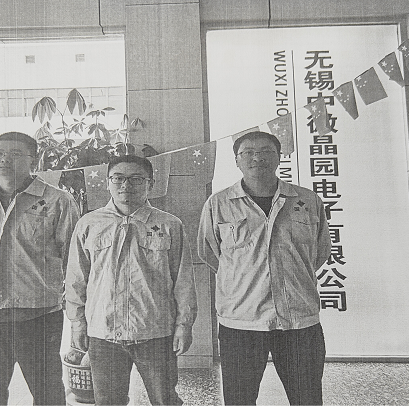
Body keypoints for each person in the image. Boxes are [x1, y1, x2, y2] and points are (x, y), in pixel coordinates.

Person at [197, 131, 332, 405]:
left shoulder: (307, 200)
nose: (257, 157)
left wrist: (292, 275)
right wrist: (243, 278)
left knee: (307, 398)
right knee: (239, 399)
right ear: (237, 160)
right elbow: (209, 252)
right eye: (248, 152)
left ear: (279, 157)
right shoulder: (218, 204)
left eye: (266, 151)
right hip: (240, 320)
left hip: (299, 319)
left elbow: (320, 251)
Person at [66, 154, 198, 405]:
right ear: (108, 183)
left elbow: (183, 281)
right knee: (108, 402)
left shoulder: (169, 224)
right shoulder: (89, 224)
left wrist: (184, 325)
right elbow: (76, 278)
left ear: (151, 184)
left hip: (156, 330)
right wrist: (77, 322)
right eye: (118, 178)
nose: (126, 185)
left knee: (165, 400)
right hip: (103, 332)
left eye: (136, 179)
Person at [0, 131, 80, 405]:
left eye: (15, 154)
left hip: (37, 314)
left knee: (47, 393)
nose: (5, 159)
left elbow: (72, 258)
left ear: (33, 161)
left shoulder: (58, 201)